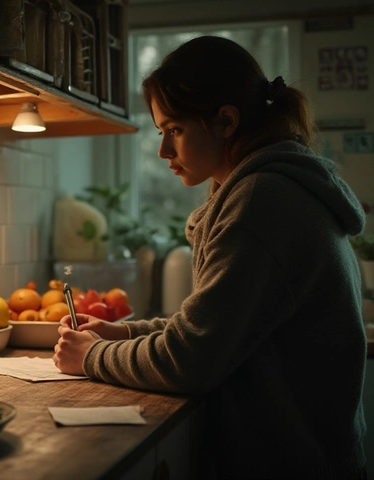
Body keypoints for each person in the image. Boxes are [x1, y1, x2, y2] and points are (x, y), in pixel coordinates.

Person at [53, 35, 367, 479]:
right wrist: (120, 336)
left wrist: (92, 356)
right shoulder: (265, 189)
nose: (164, 151)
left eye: (174, 130)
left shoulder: (262, 201)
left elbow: (192, 359)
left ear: (225, 121)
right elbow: (219, 327)